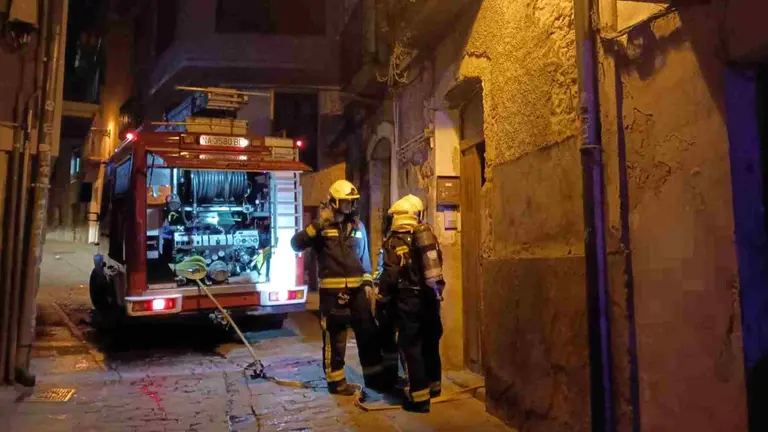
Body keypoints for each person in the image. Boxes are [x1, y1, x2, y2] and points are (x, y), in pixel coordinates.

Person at [291, 180, 385, 395]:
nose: (350, 206)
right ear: (334, 202)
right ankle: (336, 382)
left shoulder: (358, 226)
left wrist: (369, 281)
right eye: (345, 202)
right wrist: (316, 225)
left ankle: (375, 379)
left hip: (359, 292)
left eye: (352, 202)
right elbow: (296, 244)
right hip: (333, 294)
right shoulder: (321, 228)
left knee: (368, 333)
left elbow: (364, 258)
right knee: (335, 337)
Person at [378, 194, 445, 412]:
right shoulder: (427, 238)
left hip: (408, 302)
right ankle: (434, 386)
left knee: (411, 346)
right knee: (430, 343)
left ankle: (419, 398)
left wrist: (382, 299)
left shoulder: (393, 242)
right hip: (429, 300)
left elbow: (389, 275)